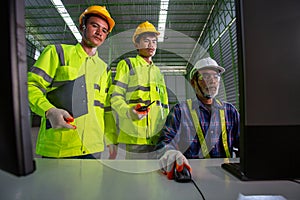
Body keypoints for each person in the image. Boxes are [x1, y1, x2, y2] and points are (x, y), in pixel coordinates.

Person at [27, 5, 116, 159]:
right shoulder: (57, 52)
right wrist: (49, 110)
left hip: (92, 148)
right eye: (94, 26)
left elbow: (105, 108)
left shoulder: (104, 69)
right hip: (60, 146)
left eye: (104, 30)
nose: (99, 33)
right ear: (83, 27)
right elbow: (30, 86)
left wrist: (110, 139)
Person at [156, 57, 240, 179]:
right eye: (205, 76)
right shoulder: (180, 111)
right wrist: (170, 153)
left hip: (228, 176)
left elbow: (244, 144)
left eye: (215, 76)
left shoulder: (230, 111)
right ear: (193, 82)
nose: (212, 81)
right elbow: (165, 142)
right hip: (192, 177)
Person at [108, 21, 169, 159]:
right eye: (146, 41)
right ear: (136, 44)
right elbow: (115, 97)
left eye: (154, 41)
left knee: (157, 177)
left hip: (157, 136)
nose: (151, 45)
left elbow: (164, 105)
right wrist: (128, 112)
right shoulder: (127, 64)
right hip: (134, 135)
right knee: (136, 177)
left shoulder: (158, 72)